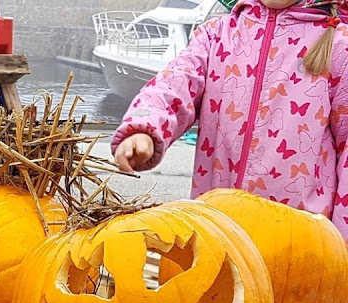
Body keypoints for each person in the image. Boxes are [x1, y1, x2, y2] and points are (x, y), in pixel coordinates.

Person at [112, 0, 348, 240]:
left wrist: (342, 244)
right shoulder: (215, 35)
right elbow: (175, 83)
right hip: (216, 231)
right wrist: (144, 128)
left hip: (301, 243)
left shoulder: (340, 47)